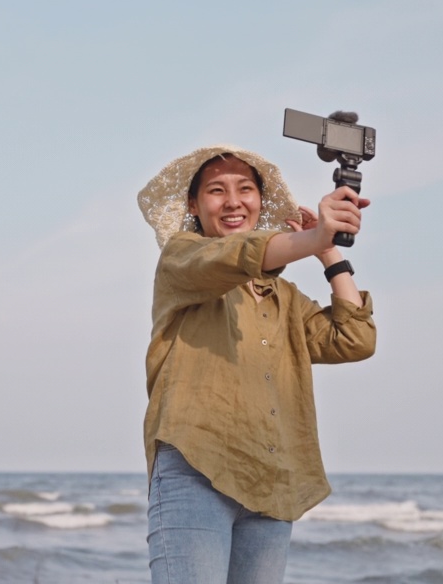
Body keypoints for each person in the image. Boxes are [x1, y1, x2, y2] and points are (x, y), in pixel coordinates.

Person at [136, 145, 377, 584]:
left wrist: (328, 253)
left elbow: (354, 339)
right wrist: (311, 238)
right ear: (194, 204)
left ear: (260, 202)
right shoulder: (182, 259)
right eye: (215, 190)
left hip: (270, 482)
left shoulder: (285, 299)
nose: (232, 201)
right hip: (196, 470)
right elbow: (230, 256)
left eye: (245, 189)